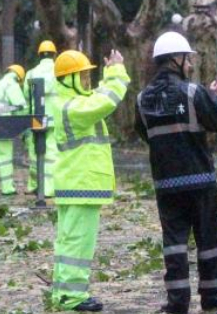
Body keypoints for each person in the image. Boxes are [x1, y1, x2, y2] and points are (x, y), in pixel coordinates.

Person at [135, 32, 217, 314]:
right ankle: (213, 299)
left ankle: (177, 303)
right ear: (176, 59)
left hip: (166, 183)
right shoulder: (193, 92)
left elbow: (146, 134)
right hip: (200, 180)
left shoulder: (142, 100)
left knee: (174, 244)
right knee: (210, 242)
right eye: (187, 58)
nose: (190, 64)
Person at [51, 48, 130, 312]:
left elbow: (97, 97)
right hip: (80, 185)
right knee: (78, 244)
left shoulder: (71, 102)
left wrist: (107, 75)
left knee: (69, 241)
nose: (87, 80)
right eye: (82, 75)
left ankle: (63, 293)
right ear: (69, 78)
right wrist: (117, 72)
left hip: (76, 184)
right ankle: (72, 297)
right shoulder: (73, 107)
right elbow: (106, 101)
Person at [24, 40, 60, 197]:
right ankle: (49, 189)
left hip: (36, 117)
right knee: (52, 153)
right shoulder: (59, 71)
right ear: (54, 54)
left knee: (35, 153)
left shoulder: (31, 73)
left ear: (39, 55)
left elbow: (26, 96)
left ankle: (34, 186)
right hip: (55, 117)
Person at [0, 64, 29, 195]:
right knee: (6, 157)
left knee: (1, 157)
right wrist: (24, 127)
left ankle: (5, 186)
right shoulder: (12, 85)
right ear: (19, 78)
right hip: (4, 124)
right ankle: (7, 189)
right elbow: (21, 107)